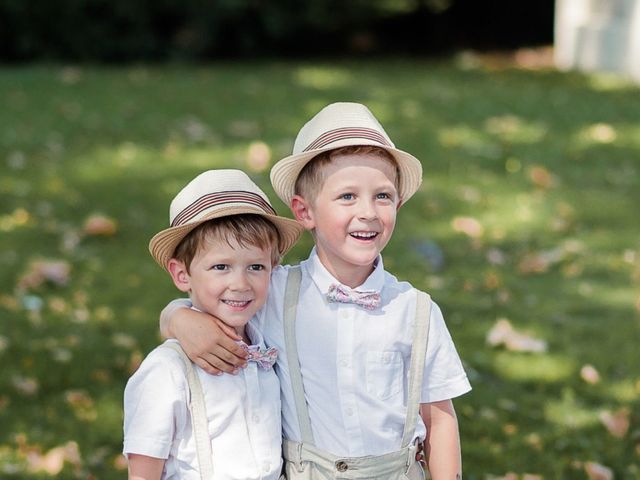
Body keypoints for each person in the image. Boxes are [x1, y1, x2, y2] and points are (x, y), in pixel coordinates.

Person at [160, 103, 472, 479]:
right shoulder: (273, 292)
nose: (368, 212)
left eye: (383, 196)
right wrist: (178, 318)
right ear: (304, 212)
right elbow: (212, 298)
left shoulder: (415, 311)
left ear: (399, 204)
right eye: (347, 197)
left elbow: (439, 420)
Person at [123, 169, 304, 480]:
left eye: (256, 266)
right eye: (221, 267)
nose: (240, 283)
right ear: (181, 275)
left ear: (274, 269)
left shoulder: (270, 344)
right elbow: (142, 473)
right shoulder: (166, 370)